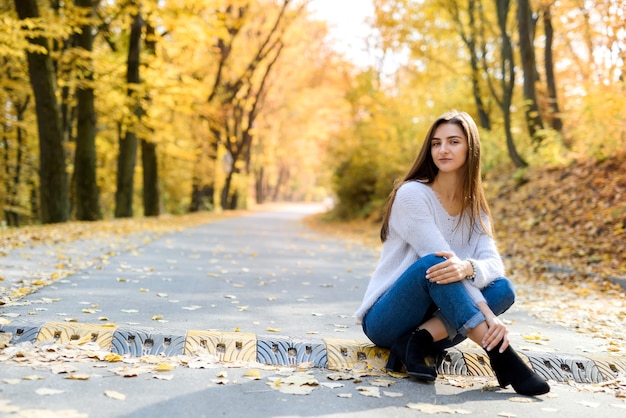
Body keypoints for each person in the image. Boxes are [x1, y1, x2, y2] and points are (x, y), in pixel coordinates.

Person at [354, 111, 549, 396]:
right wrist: (488, 315)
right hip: (387, 319)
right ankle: (502, 356)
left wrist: (469, 267)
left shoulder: (476, 209)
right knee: (435, 265)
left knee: (503, 289)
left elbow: (494, 265)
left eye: (453, 141)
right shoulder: (412, 195)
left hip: (438, 324)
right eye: (436, 143)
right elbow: (441, 263)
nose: (443, 150)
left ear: (471, 149)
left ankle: (417, 341)